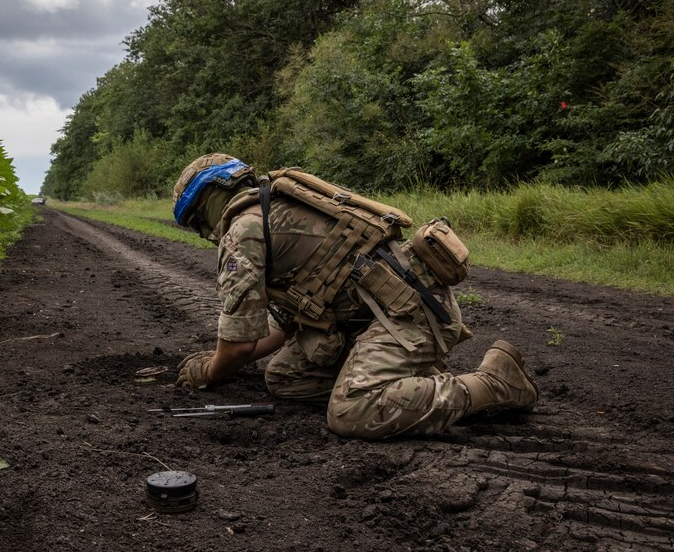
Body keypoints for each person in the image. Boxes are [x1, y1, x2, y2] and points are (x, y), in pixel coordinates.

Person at [173, 153, 538, 440]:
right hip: (396, 309)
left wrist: (209, 369)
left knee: (351, 411)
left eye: (195, 220)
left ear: (206, 203)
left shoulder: (242, 232)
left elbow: (237, 346)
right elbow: (285, 319)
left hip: (407, 317)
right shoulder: (275, 207)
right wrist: (227, 357)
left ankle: (494, 383)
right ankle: (404, 381)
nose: (201, 231)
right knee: (284, 377)